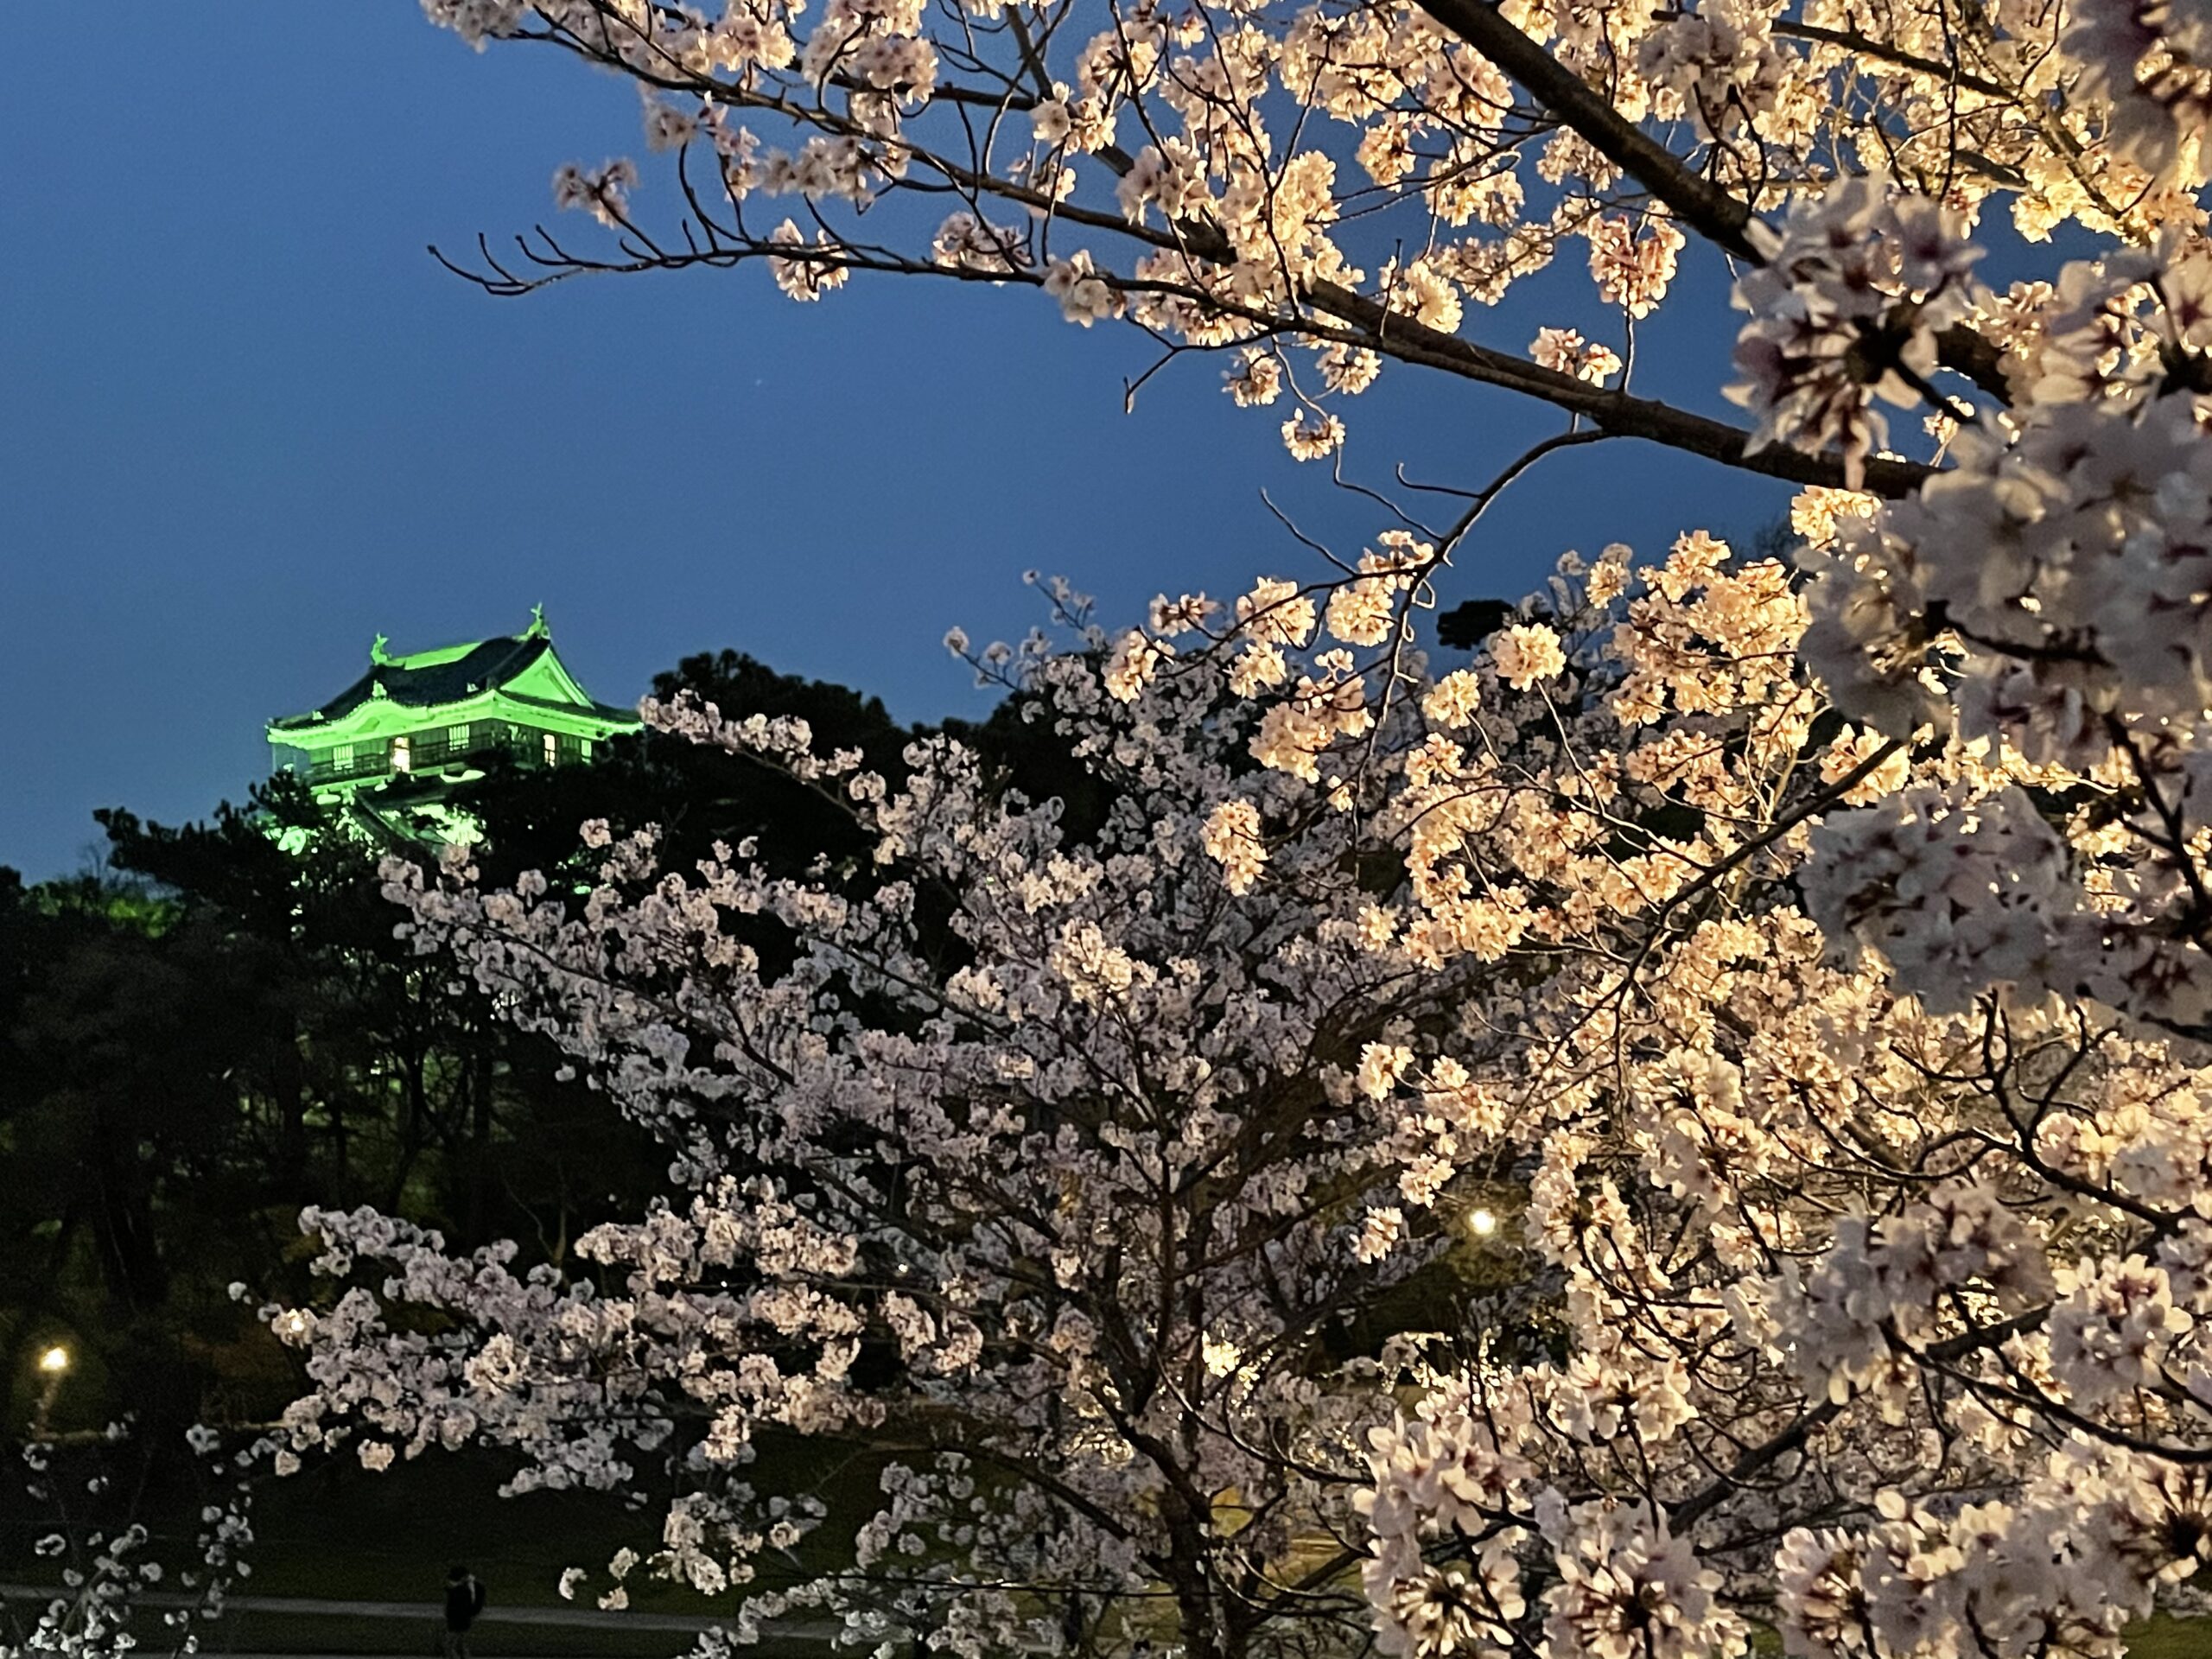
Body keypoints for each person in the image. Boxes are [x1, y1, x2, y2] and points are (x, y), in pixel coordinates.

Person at [442, 1565, 486, 1659]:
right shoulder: (471, 1586)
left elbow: (456, 1604)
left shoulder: (463, 1589)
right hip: (462, 1618)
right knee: (459, 1643)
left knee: (450, 1644)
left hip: (458, 1619)